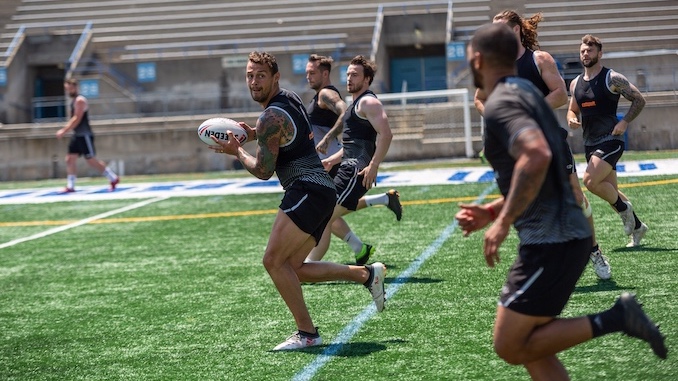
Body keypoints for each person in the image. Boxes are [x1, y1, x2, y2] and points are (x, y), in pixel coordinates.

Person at [456, 23, 666, 380]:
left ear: (477, 60)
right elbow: (545, 168)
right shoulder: (525, 91)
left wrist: (502, 221)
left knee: (508, 344)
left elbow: (536, 156)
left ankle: (616, 317)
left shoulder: (502, 103)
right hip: (567, 234)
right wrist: (493, 210)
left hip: (552, 242)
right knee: (533, 348)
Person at [208, 51, 386, 351]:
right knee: (295, 267)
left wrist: (236, 151)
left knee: (273, 261)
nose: (254, 82)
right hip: (320, 190)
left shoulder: (270, 116)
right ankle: (367, 275)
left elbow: (263, 171)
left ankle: (308, 333)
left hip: (306, 189)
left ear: (275, 77)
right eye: (250, 76)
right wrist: (254, 135)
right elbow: (290, 135)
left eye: (261, 76)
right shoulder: (288, 99)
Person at [474, 10, 610, 280]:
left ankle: (593, 250)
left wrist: (527, 110)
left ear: (515, 31)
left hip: (548, 139)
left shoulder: (539, 59)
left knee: (575, 196)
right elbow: (479, 98)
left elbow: (561, 94)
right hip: (518, 148)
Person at [305, 54, 402, 265]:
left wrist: (374, 165)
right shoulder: (356, 104)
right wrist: (331, 160)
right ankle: (313, 263)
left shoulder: (368, 101)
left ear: (367, 79)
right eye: (348, 74)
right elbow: (352, 145)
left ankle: (312, 265)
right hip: (346, 169)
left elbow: (386, 134)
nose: (349, 78)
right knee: (323, 215)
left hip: (355, 172)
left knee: (323, 216)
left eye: (355, 75)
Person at [567, 34, 649, 248]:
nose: (585, 53)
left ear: (599, 53)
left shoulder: (612, 78)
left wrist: (625, 123)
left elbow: (639, 99)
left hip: (611, 140)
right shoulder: (575, 83)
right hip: (589, 143)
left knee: (590, 181)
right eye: (583, 50)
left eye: (590, 50)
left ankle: (625, 211)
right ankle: (638, 227)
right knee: (609, 189)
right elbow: (571, 109)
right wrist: (571, 119)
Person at [56, 78, 120, 192]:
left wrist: (64, 130)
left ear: (75, 87)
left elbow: (77, 118)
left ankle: (113, 178)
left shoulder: (80, 100)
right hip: (77, 135)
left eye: (71, 88)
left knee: (91, 160)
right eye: (67, 89)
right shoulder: (73, 101)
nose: (69, 91)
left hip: (84, 135)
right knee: (70, 159)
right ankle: (71, 186)